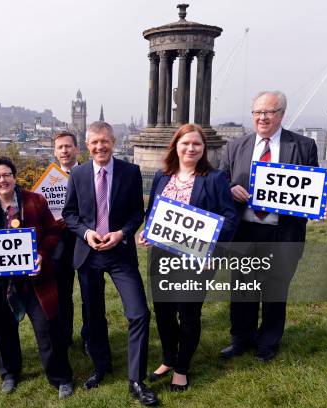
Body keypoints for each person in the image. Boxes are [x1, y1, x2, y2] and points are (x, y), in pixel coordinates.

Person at [63, 121, 158, 406]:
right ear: (87, 145)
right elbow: (70, 214)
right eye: (94, 142)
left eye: (104, 141)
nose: (100, 147)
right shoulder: (78, 174)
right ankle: (101, 367)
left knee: (139, 313)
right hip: (89, 253)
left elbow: (136, 214)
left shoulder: (130, 171)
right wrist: (86, 232)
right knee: (94, 316)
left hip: (120, 254)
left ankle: (136, 380)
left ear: (113, 142)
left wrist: (121, 234)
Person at [219, 91, 319, 361]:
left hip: (282, 232)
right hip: (245, 230)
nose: (262, 117)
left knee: (275, 291)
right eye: (257, 112)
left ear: (281, 114)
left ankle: (268, 342)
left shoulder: (304, 145)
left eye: (269, 112)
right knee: (242, 289)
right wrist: (230, 189)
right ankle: (241, 338)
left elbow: (311, 188)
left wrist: (314, 204)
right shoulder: (236, 146)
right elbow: (221, 182)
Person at [138, 123, 238, 391]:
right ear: (176, 146)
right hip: (161, 256)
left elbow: (230, 218)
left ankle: (182, 369)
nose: (191, 148)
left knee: (189, 312)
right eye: (185, 143)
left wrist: (212, 248)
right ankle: (169, 358)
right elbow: (153, 212)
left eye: (196, 144)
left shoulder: (214, 178)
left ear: (203, 149)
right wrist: (147, 233)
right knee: (164, 312)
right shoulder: (162, 176)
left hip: (198, 258)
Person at [0, 157, 74, 399]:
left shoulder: (35, 201)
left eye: (6, 175)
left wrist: (42, 254)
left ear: (14, 177)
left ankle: (61, 377)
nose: (2, 180)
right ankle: (9, 374)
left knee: (47, 329)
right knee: (3, 330)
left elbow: (54, 231)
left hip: (35, 280)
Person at [51, 131, 90, 350]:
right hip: (60, 244)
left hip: (85, 240)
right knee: (62, 295)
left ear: (76, 149)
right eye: (60, 147)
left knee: (89, 293)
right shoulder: (49, 179)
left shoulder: (88, 173)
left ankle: (89, 337)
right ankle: (65, 338)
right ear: (55, 152)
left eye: (68, 146)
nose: (64, 151)